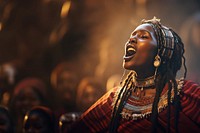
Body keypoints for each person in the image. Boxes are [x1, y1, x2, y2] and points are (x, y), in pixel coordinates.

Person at [67, 17, 200, 132]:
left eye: (143, 36)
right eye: (132, 36)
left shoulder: (186, 95)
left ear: (160, 53)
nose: (132, 40)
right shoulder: (115, 100)